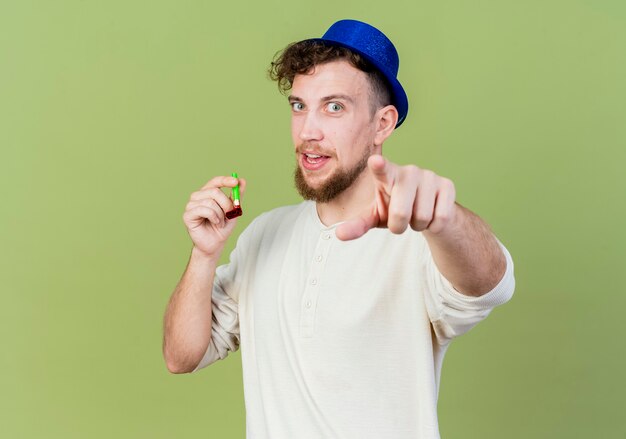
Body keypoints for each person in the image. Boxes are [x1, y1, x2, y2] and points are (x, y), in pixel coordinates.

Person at [163, 19, 515, 439]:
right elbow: (181, 357)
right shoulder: (262, 235)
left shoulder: (421, 239)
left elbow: (492, 284)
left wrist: (445, 218)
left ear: (382, 124)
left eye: (334, 107)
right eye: (299, 106)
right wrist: (203, 256)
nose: (308, 132)